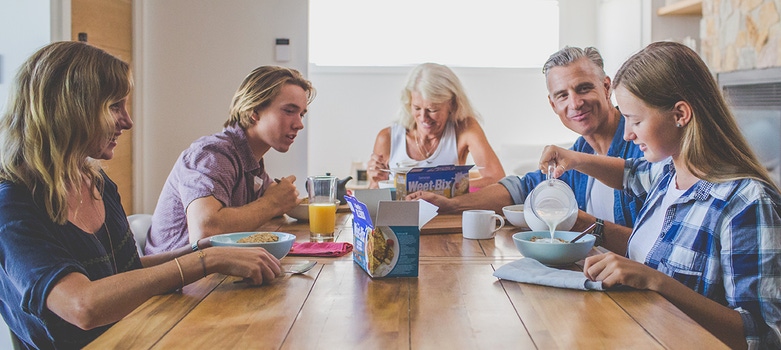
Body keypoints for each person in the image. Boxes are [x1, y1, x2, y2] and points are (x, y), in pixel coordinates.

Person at [0, 41, 284, 349]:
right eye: (114, 107)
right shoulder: (12, 205)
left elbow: (126, 274)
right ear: (69, 110)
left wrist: (207, 251)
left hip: (140, 335)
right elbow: (84, 306)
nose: (128, 121)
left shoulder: (97, 183)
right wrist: (207, 259)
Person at [540, 41, 781, 349]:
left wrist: (655, 281)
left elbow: (764, 336)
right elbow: (627, 172)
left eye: (636, 120)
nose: (626, 133)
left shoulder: (745, 202)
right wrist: (574, 159)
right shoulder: (668, 174)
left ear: (680, 114)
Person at [409, 47, 643, 255]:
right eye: (562, 95)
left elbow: (655, 247)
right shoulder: (580, 152)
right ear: (553, 104)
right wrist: (450, 205)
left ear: (606, 87)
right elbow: (521, 189)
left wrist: (584, 224)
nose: (575, 103)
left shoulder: (644, 147)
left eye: (584, 89)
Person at [146, 66, 314, 254]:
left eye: (301, 114)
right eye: (289, 111)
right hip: (180, 278)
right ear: (254, 111)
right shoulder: (212, 154)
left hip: (213, 273)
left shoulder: (252, 162)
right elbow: (205, 231)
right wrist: (272, 203)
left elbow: (275, 201)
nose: (299, 124)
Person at [366, 62, 505, 190]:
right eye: (417, 108)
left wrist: (444, 188)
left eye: (432, 110)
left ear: (452, 104)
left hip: (447, 215)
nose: (423, 117)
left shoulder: (465, 130)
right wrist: (376, 180)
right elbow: (374, 193)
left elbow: (497, 179)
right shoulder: (387, 138)